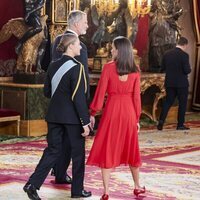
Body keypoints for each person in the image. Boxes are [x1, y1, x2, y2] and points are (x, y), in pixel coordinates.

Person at [23, 33, 92, 200]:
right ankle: (77, 191)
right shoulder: (77, 67)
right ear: (70, 47)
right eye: (78, 44)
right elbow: (78, 97)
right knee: (77, 155)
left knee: (52, 151)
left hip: (53, 116)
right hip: (72, 119)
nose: (80, 47)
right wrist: (85, 121)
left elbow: (47, 92)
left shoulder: (53, 66)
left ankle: (32, 184)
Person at [87, 36, 145, 199]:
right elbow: (136, 98)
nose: (111, 50)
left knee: (108, 148)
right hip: (129, 113)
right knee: (132, 149)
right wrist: (137, 119)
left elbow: (100, 94)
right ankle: (137, 186)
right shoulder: (135, 70)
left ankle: (106, 191)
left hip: (112, 111)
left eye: (112, 48)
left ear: (119, 50)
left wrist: (93, 112)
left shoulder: (108, 68)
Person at [50, 10, 90, 185]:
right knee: (72, 141)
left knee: (62, 140)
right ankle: (62, 174)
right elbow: (82, 76)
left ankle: (59, 172)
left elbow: (49, 67)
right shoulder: (77, 45)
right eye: (85, 22)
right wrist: (85, 104)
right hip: (74, 99)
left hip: (57, 100)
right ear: (76, 24)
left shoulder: (56, 41)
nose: (87, 25)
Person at [157, 36, 191, 131]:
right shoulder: (184, 55)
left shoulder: (167, 54)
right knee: (183, 103)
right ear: (184, 45)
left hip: (169, 83)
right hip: (182, 84)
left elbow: (162, 68)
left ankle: (161, 121)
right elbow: (187, 70)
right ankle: (180, 125)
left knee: (168, 102)